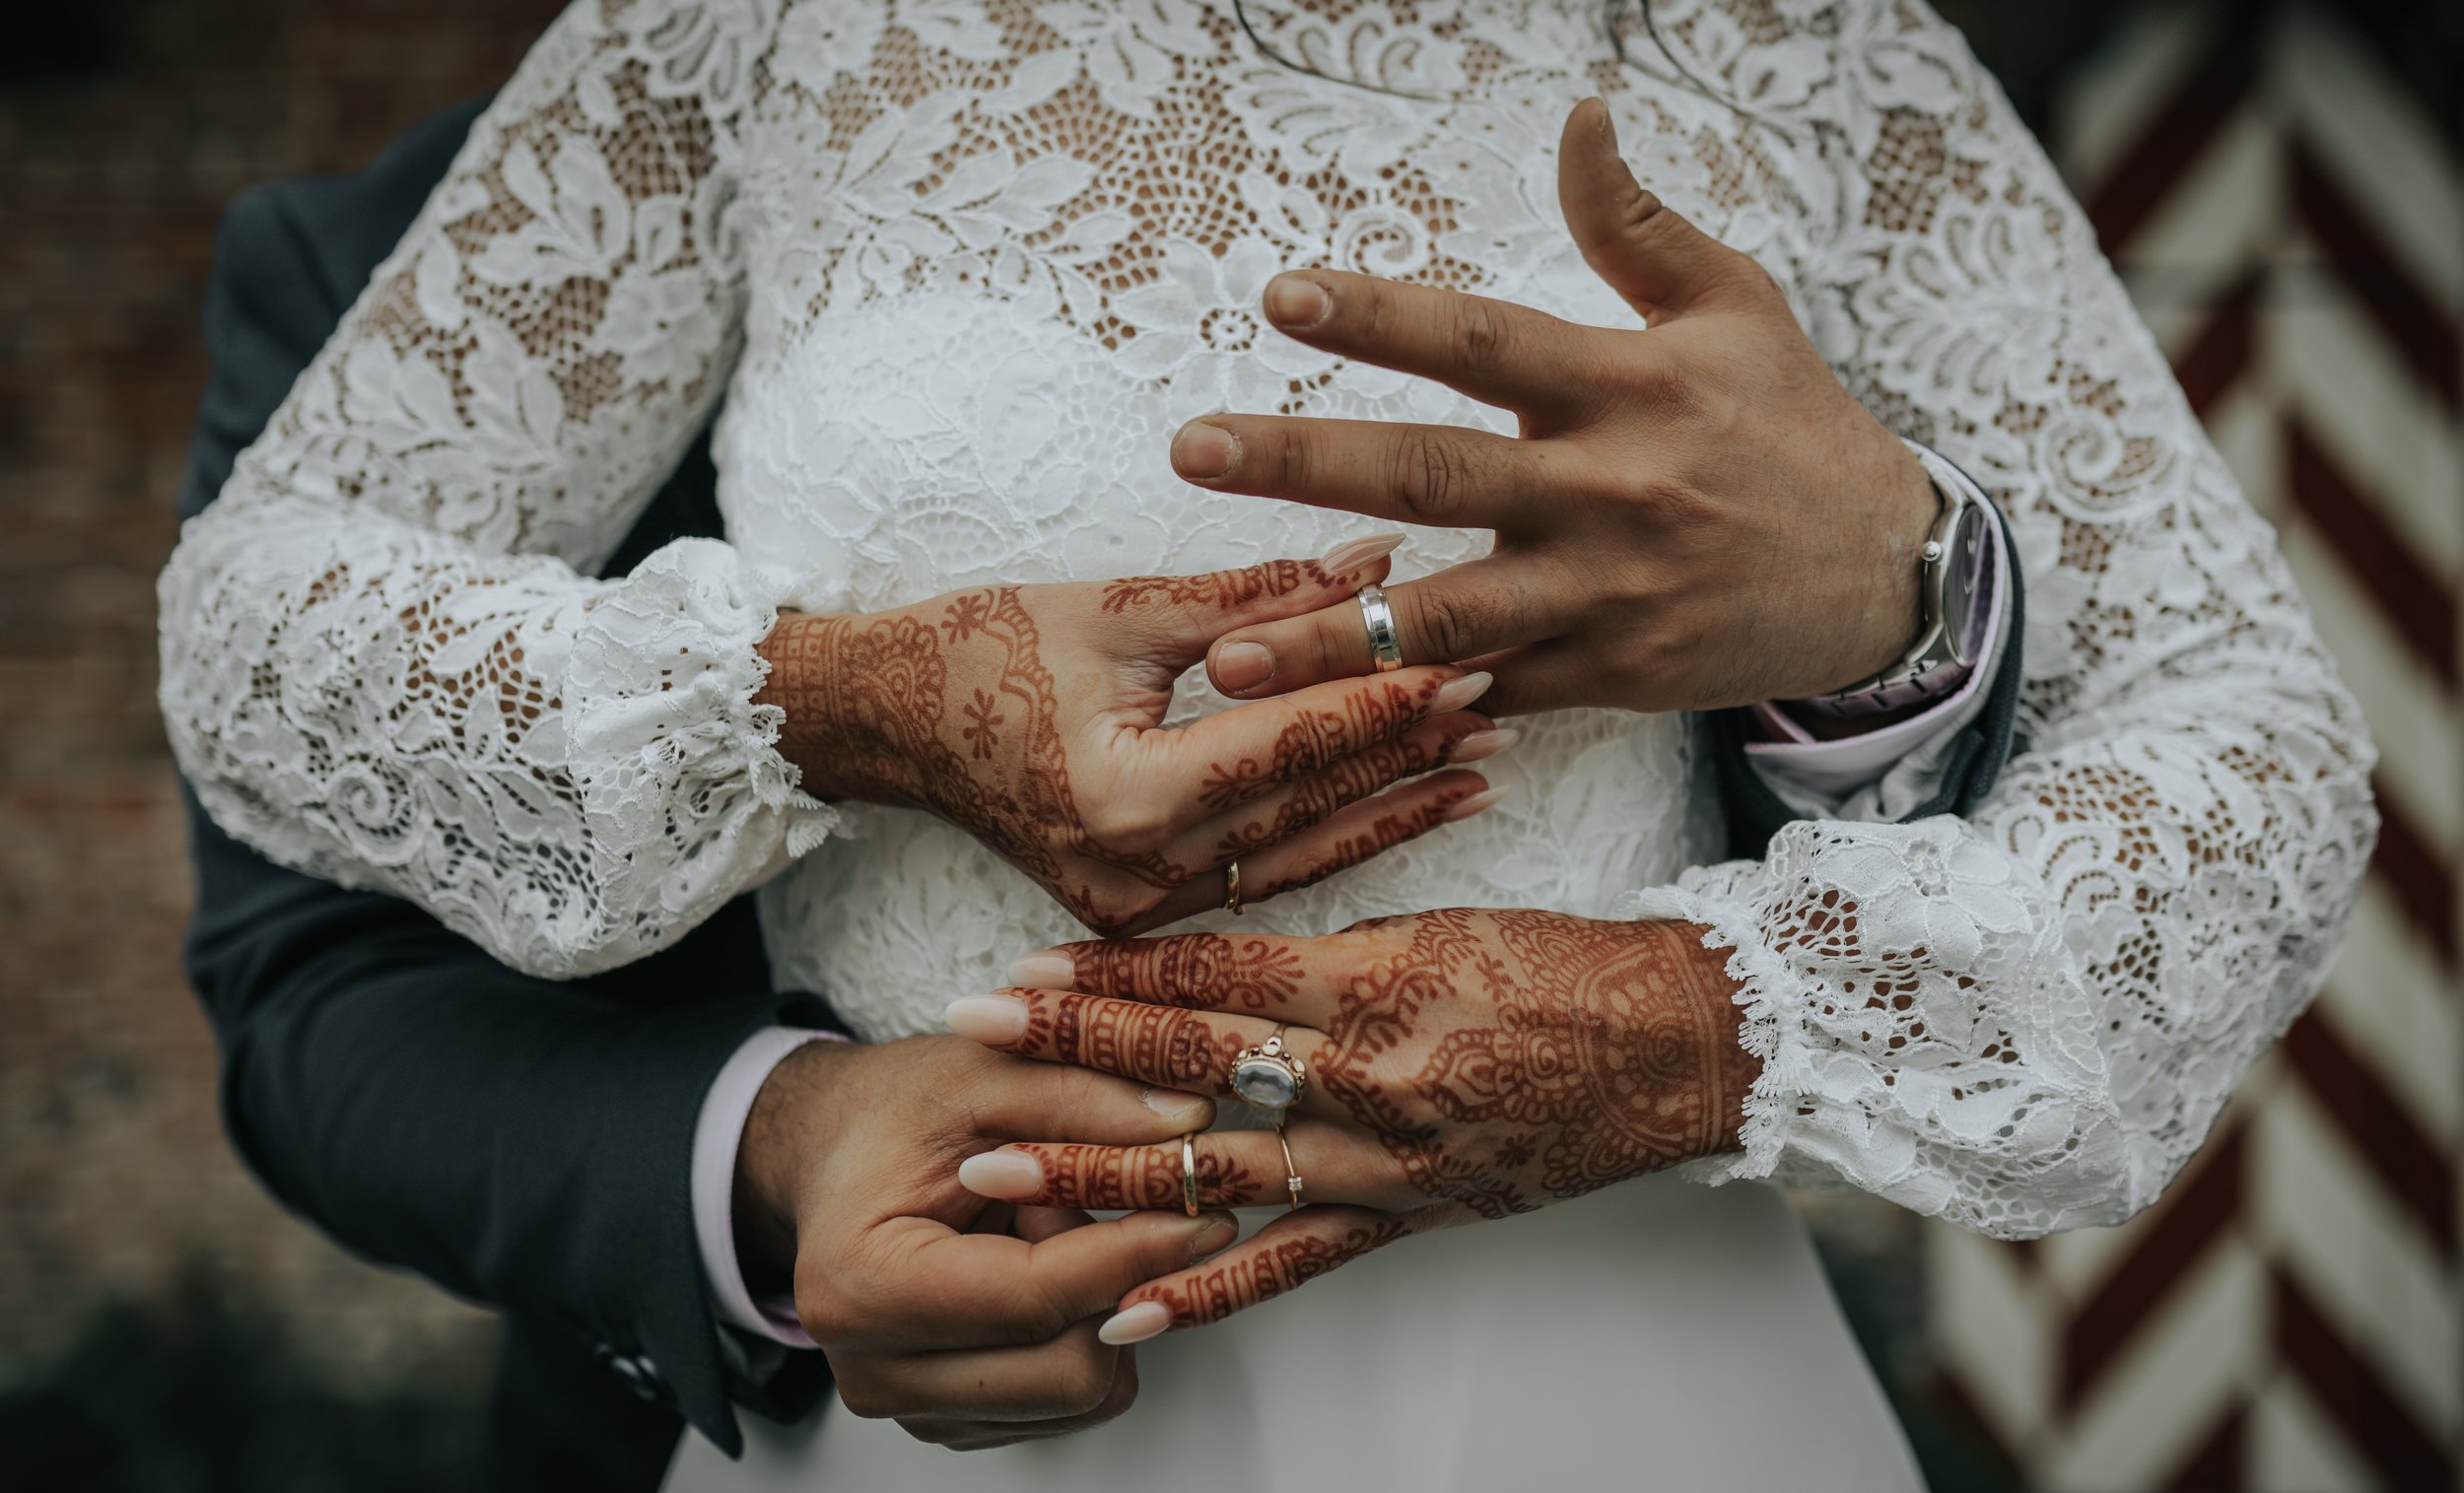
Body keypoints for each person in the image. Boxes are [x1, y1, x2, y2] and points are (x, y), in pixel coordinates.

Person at [160, 1, 2372, 1488]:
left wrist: (1729, 951)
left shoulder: (1790, 45)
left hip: (1606, 1350)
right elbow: (267, 656)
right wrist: (836, 710)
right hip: (935, 1394)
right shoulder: (737, 46)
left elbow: (2245, 727)